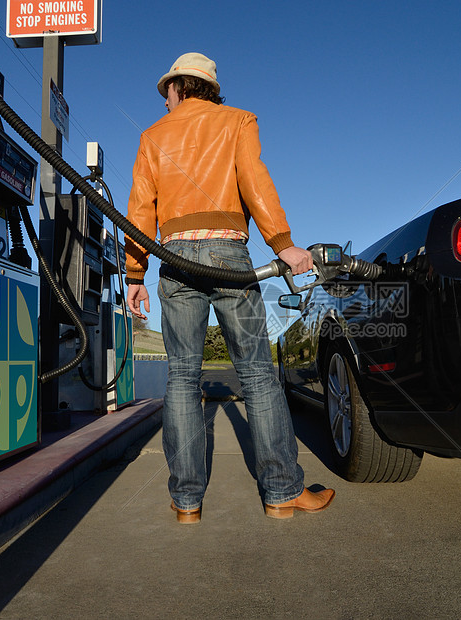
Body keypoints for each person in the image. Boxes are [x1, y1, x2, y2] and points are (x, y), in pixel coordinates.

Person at [124, 53, 335, 523]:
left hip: (174, 258)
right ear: (210, 88)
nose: (165, 105)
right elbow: (254, 181)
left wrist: (135, 275)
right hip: (228, 257)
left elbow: (140, 209)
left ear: (179, 86)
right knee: (258, 374)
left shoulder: (152, 137)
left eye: (167, 94)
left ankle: (187, 503)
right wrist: (283, 244)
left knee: (181, 377)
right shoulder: (236, 121)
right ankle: (281, 493)